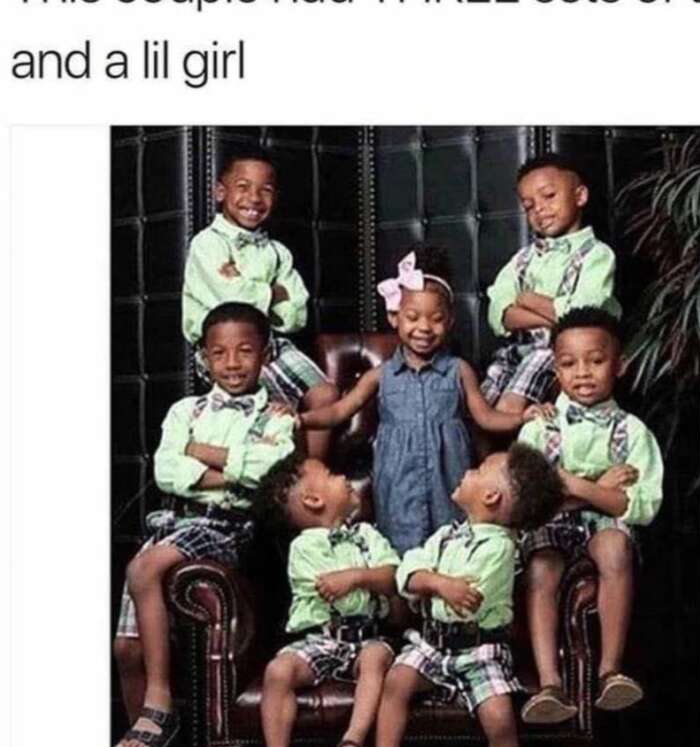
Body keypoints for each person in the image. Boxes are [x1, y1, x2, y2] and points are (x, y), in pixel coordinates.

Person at [112, 303, 296, 747]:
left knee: (143, 569)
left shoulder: (278, 418)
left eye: (245, 351)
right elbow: (166, 471)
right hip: (171, 524)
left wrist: (201, 457)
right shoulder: (184, 410)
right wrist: (232, 468)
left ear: (266, 353)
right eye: (220, 354)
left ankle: (159, 702)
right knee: (126, 649)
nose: (232, 363)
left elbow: (269, 474)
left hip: (227, 527)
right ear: (204, 358)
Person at [300, 245, 528, 554]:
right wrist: (301, 419)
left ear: (449, 322)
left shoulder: (459, 371)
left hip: (450, 473)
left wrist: (522, 418)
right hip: (398, 478)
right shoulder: (380, 376)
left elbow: (485, 417)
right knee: (400, 551)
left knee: (451, 548)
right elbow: (339, 411)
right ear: (395, 318)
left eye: (435, 319)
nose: (423, 327)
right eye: (413, 317)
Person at [356, 444, 563, 747]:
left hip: (480, 650)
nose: (468, 471)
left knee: (498, 717)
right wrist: (434, 581)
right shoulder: (447, 534)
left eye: (479, 470)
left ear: (491, 496)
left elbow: (465, 599)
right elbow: (407, 570)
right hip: (433, 643)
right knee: (397, 681)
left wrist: (429, 582)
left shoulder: (500, 548)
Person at [517, 306, 663, 724]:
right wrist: (598, 487)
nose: (582, 372)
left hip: (604, 529)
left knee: (615, 546)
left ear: (619, 365)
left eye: (596, 361)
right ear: (556, 371)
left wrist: (570, 486)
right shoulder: (538, 429)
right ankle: (549, 685)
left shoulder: (633, 431)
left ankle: (610, 671)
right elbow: (529, 504)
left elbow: (641, 506)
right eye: (568, 363)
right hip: (550, 525)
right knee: (542, 566)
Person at [253, 453, 401, 747]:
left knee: (376, 657)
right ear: (314, 500)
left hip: (368, 637)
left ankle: (353, 743)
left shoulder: (369, 534)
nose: (344, 478)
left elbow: (392, 577)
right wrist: (366, 577)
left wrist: (356, 578)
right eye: (333, 473)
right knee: (278, 671)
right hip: (322, 638)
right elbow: (331, 590)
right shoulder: (303, 548)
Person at [182, 151, 338, 457]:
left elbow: (296, 315)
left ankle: (310, 476)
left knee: (326, 394)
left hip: (272, 342)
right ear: (220, 192)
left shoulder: (278, 252)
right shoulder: (207, 243)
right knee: (274, 409)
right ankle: (276, 483)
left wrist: (252, 290)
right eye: (243, 186)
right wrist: (273, 292)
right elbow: (232, 303)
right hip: (223, 347)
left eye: (265, 190)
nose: (254, 198)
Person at [481, 154, 620, 415]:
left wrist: (527, 299)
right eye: (529, 206)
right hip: (514, 350)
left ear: (579, 196)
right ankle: (485, 455)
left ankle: (514, 453)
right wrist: (549, 316)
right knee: (479, 406)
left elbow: (580, 314)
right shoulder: (523, 259)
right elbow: (498, 314)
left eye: (549, 196)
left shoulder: (597, 255)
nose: (539, 209)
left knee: (509, 406)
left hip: (563, 353)